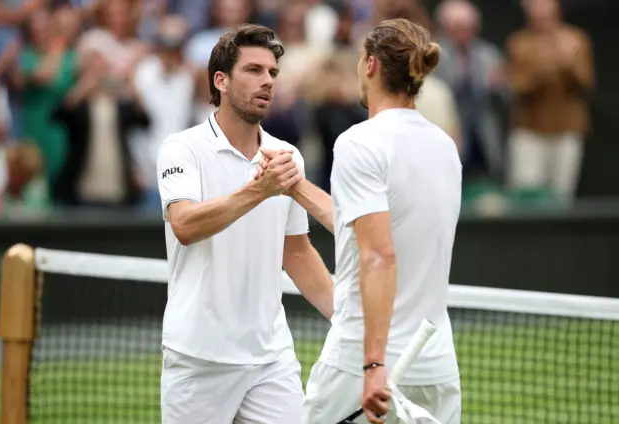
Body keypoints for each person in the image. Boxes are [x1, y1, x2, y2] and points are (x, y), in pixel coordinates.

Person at [258, 17, 463, 424]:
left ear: (370, 65)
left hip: (361, 362)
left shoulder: (359, 143)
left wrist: (373, 366)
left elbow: (378, 256)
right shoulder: (444, 146)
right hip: (435, 362)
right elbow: (371, 229)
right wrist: (295, 185)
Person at [156, 24, 334, 424]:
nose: (267, 81)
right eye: (254, 70)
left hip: (271, 358)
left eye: (272, 72)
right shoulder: (181, 148)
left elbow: (296, 250)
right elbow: (184, 225)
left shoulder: (286, 155)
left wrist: (348, 320)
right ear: (220, 81)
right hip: (198, 357)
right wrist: (260, 190)